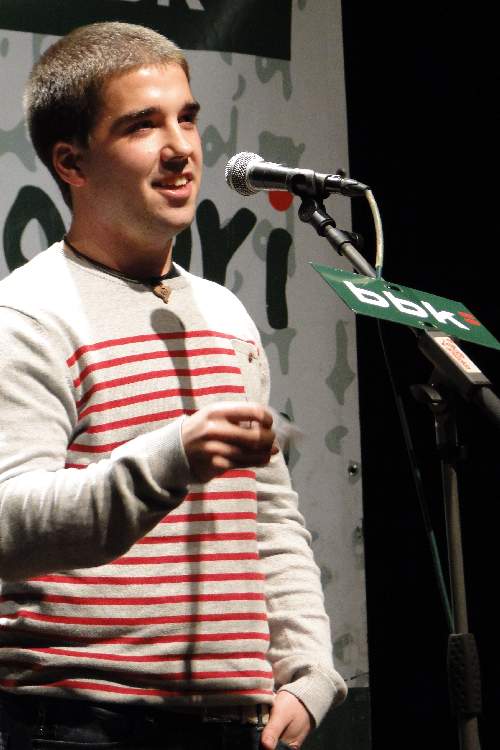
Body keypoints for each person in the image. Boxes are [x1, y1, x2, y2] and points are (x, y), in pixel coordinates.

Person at [0, 22, 347, 750]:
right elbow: (8, 524)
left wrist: (310, 672)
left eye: (186, 118)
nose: (180, 147)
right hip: (80, 721)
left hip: (237, 722)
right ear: (71, 162)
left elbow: (268, 517)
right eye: (142, 125)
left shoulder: (224, 313)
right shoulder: (28, 314)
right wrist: (168, 458)